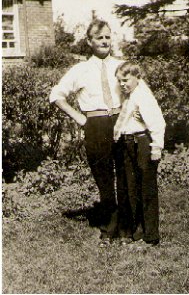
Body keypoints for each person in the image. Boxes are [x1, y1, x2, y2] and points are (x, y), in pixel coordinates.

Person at [49, 19, 126, 245]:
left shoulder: (121, 65)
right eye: (99, 38)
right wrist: (80, 118)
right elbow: (56, 95)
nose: (104, 41)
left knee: (124, 174)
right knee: (103, 177)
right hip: (96, 124)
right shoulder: (79, 70)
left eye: (107, 37)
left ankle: (127, 226)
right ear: (89, 42)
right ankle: (108, 228)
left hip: (122, 122)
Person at [114, 61, 166, 246]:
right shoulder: (129, 96)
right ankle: (137, 231)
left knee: (146, 189)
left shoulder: (144, 96)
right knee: (132, 188)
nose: (122, 84)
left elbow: (158, 123)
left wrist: (156, 148)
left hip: (142, 143)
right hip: (129, 142)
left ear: (137, 77)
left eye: (125, 80)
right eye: (119, 80)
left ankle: (151, 235)